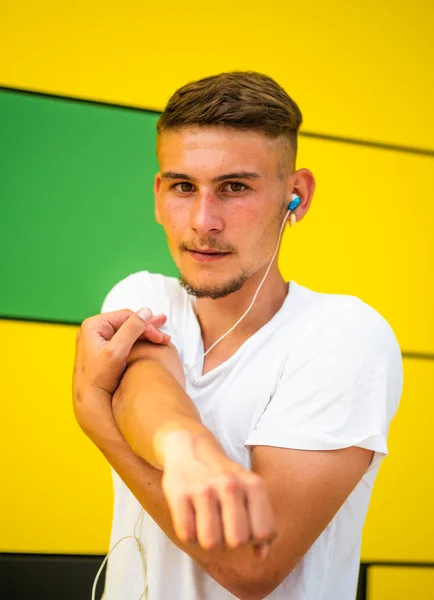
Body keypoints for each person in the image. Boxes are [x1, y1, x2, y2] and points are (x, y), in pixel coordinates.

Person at [72, 71, 403, 600]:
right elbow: (148, 386)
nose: (204, 221)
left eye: (234, 187)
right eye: (184, 187)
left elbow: (252, 566)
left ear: (295, 196)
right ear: (159, 197)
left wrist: (99, 421)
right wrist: (185, 448)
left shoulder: (346, 335)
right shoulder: (143, 294)